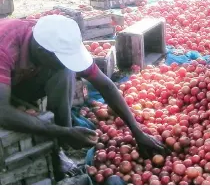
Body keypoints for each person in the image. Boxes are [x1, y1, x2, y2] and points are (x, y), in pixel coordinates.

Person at [0, 15, 170, 178]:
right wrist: (63, 132)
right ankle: (63, 135)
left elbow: (105, 85)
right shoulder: (5, 47)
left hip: (18, 77)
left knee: (64, 72)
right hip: (7, 82)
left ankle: (60, 147)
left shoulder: (50, 37)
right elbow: (3, 113)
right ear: (41, 51)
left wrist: (137, 131)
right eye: (59, 58)